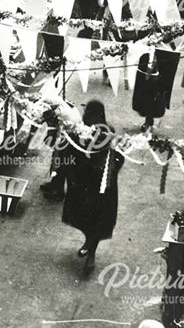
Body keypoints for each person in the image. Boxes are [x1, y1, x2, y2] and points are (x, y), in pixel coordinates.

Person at [61, 100, 124, 272]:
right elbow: (69, 152)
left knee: (97, 220)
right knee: (85, 219)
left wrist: (108, 172)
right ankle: (89, 243)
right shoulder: (79, 130)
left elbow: (118, 158)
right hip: (83, 185)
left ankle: (91, 255)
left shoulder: (107, 135)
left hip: (101, 188)